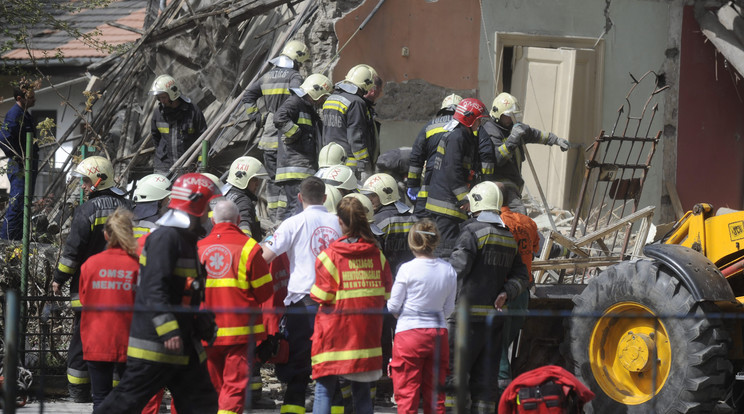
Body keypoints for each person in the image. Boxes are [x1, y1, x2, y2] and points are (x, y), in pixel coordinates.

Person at [94, 173, 220, 414]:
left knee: (202, 403)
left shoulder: (184, 239)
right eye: (207, 206)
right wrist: (168, 328)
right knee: (124, 403)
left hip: (181, 343)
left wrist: (202, 322)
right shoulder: (167, 238)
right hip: (157, 343)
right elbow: (154, 287)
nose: (209, 213)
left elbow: (184, 291)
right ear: (196, 205)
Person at [53, 156, 131, 402]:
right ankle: (116, 393)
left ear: (99, 180)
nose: (83, 186)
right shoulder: (127, 207)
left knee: (83, 336)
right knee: (122, 339)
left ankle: (78, 390)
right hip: (122, 287)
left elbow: (72, 252)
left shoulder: (87, 210)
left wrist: (59, 278)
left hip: (89, 289)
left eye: (86, 181)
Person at [260, 176, 341, 414]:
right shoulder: (339, 222)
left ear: (299, 198)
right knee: (331, 363)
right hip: (336, 303)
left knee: (299, 365)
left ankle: (293, 408)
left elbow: (265, 257)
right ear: (325, 198)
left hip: (303, 302)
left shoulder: (293, 223)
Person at [446, 181, 529, 413]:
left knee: (454, 379)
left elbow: (456, 269)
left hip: (464, 321)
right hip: (492, 322)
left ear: (476, 203)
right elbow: (522, 276)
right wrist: (507, 292)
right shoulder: (508, 236)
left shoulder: (472, 231)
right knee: (485, 385)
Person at [310, 196, 393, 414]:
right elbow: (386, 293)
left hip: (334, 337)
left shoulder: (329, 257)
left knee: (323, 391)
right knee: (362, 392)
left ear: (340, 221)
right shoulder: (378, 257)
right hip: (365, 338)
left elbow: (321, 296)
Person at [198, 199, 274, 414]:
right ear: (239, 220)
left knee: (213, 384)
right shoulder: (249, 247)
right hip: (240, 330)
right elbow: (265, 292)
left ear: (213, 220)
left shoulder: (198, 248)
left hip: (206, 329)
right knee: (234, 385)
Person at [387, 219, 456, 414]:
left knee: (407, 395)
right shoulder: (448, 270)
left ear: (412, 241)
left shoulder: (406, 269)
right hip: (438, 333)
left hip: (409, 334)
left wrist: (400, 315)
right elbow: (449, 309)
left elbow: (393, 305)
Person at [242, 40, 310, 223]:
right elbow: (298, 98)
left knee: (273, 182)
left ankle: (274, 218)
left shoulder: (266, 76)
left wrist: (257, 117)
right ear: (297, 59)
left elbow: (247, 97)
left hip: (268, 136)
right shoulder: (295, 76)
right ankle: (284, 219)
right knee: (287, 181)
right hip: (285, 138)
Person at [78, 208, 139, 409]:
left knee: (100, 398)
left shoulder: (90, 264)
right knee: (130, 398)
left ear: (105, 234)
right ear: (129, 234)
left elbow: (85, 299)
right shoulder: (137, 266)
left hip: (96, 338)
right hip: (129, 339)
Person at [481, 92, 570, 214]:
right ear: (498, 114)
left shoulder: (514, 127)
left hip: (513, 183)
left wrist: (556, 140)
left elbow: (535, 134)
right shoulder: (490, 131)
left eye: (514, 115)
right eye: (509, 115)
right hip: (498, 183)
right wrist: (513, 139)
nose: (512, 118)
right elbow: (498, 159)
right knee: (519, 214)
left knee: (512, 217)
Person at [424, 98, 489, 252]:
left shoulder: (461, 136)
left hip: (446, 203)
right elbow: (453, 171)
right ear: (469, 119)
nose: (480, 124)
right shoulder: (458, 137)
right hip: (447, 206)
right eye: (478, 121)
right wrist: (465, 199)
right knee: (446, 250)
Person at [496, 186, 540, 391]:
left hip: (503, 292)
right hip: (522, 293)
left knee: (498, 351)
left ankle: (501, 398)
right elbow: (535, 250)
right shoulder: (528, 222)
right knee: (505, 347)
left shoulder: (497, 223)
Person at [274, 73, 334, 218]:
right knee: (296, 208)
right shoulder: (295, 102)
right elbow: (279, 117)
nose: (323, 100)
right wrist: (296, 134)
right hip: (295, 167)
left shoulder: (307, 108)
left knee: (298, 208)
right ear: (316, 91)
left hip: (301, 167)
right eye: (323, 96)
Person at [407, 94, 462, 217]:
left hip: (429, 184)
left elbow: (416, 157)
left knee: (422, 226)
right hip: (454, 188)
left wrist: (412, 184)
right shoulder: (464, 128)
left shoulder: (429, 126)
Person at [322, 64, 379, 179]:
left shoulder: (330, 99)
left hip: (329, 161)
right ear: (366, 83)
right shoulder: (356, 102)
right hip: (349, 166)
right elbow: (356, 136)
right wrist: (364, 164)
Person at [0, 83, 38, 241]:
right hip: (20, 166)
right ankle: (5, 241)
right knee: (17, 204)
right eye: (30, 97)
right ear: (19, 98)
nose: (34, 99)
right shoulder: (14, 114)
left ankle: (18, 241)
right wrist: (18, 156)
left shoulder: (25, 114)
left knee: (24, 205)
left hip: (28, 165)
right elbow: (4, 139)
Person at [149, 74, 207, 174]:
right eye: (159, 98)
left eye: (163, 97)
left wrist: (201, 163)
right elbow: (156, 138)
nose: (161, 101)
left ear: (173, 95)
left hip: (188, 165)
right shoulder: (158, 113)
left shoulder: (192, 111)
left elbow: (204, 138)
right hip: (163, 167)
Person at [223, 156, 267, 239]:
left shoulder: (226, 193)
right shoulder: (243, 201)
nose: (257, 184)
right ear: (243, 179)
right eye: (254, 180)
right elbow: (244, 223)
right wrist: (247, 245)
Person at [132, 173, 171, 239]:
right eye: (167, 197)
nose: (168, 199)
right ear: (159, 199)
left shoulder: (124, 218)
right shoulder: (162, 222)